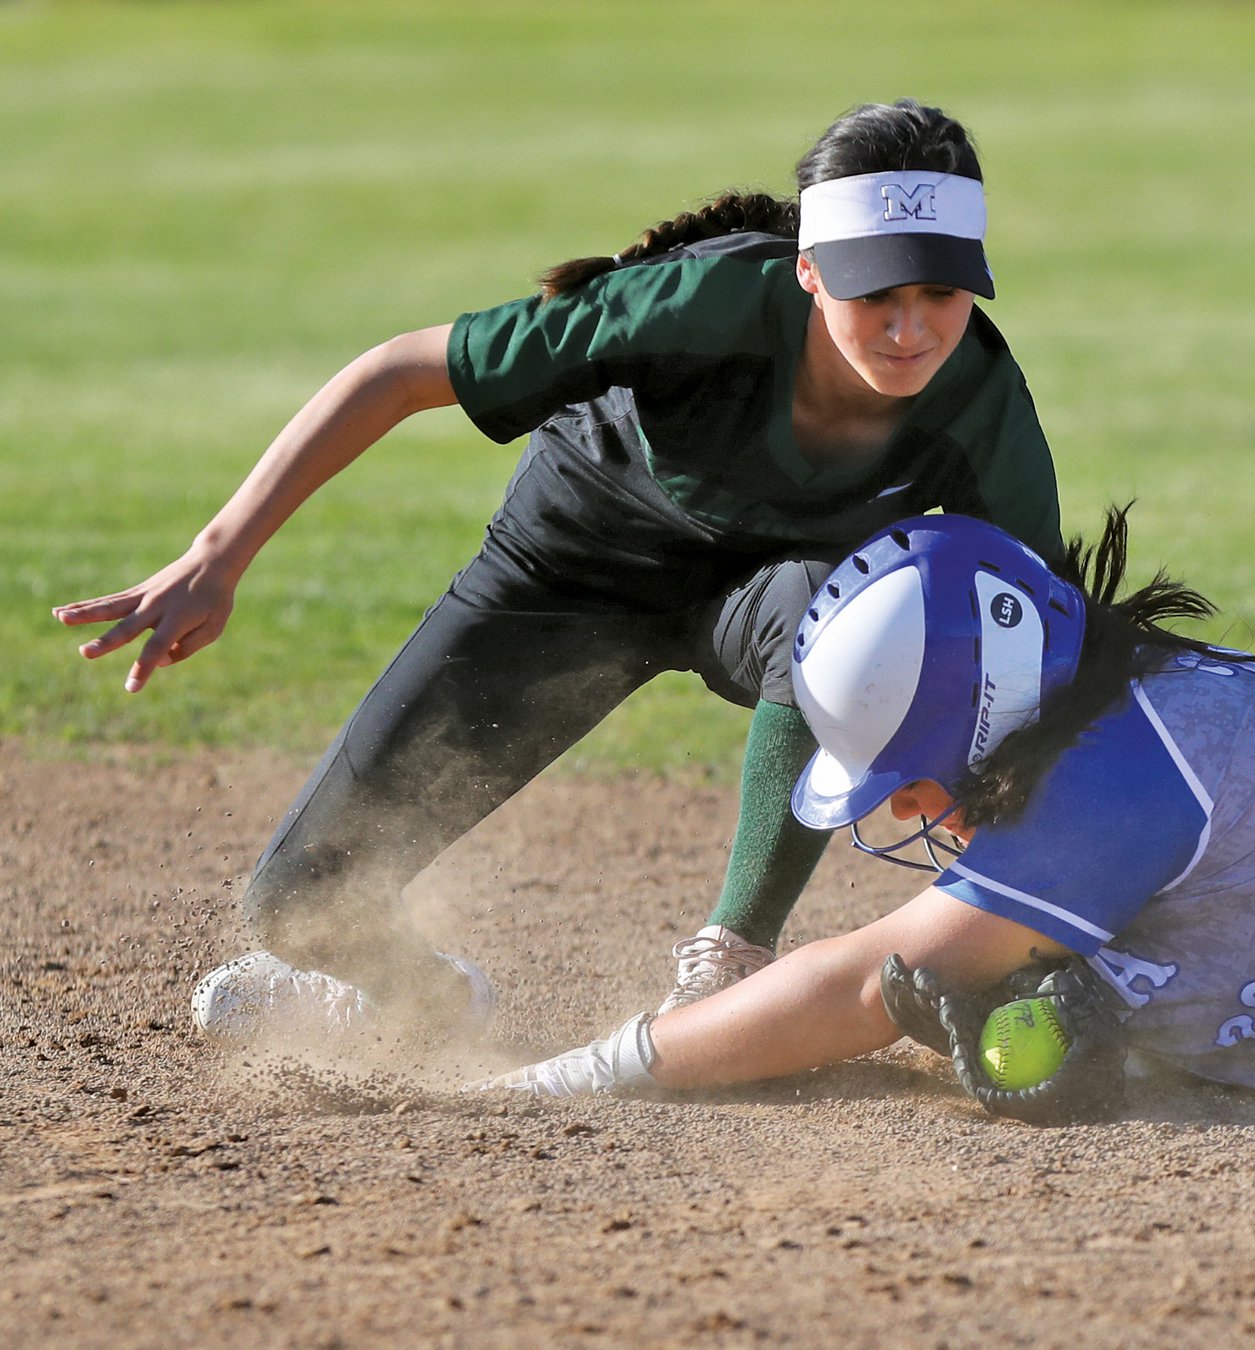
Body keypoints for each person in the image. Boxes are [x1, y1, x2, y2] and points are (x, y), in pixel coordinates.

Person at [51, 100, 1063, 1038]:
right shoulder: (694, 303)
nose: (910, 329)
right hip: (571, 572)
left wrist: (1016, 826)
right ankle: (428, 1001)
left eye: (941, 293)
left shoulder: (979, 397)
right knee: (295, 903)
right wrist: (219, 552)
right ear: (809, 271)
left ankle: (731, 959)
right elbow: (399, 372)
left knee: (847, 615)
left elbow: (1038, 629)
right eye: (875, 292)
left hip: (766, 603)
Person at [475, 509, 1255, 1120]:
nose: (905, 809)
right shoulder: (1105, 739)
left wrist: (578, 1076)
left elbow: (862, 983)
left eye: (908, 772)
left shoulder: (1117, 772)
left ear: (983, 724)